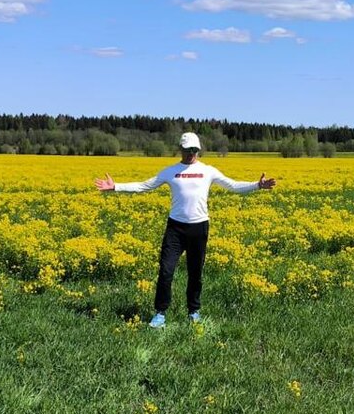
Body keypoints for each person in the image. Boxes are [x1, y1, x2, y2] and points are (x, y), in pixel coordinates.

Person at [95, 132, 276, 327]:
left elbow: (232, 185)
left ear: (198, 150)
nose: (191, 153)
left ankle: (193, 311)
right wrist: (116, 187)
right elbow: (144, 186)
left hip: (199, 228)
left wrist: (257, 185)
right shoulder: (170, 171)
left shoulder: (208, 171)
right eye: (187, 150)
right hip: (175, 228)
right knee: (166, 271)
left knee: (195, 272)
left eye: (194, 150)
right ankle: (160, 313)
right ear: (180, 149)